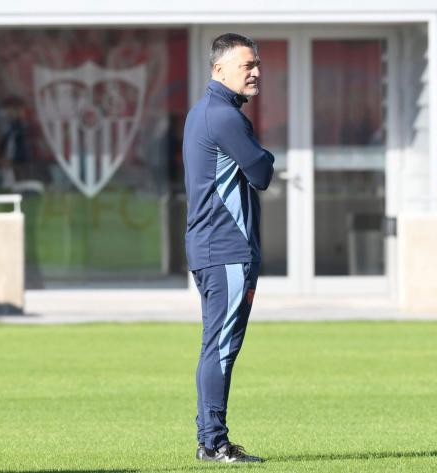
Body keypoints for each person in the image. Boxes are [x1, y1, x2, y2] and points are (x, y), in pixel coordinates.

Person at [182, 33, 275, 463]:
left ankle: (209, 440)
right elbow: (260, 172)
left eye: (256, 64)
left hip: (208, 249)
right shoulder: (225, 117)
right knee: (221, 348)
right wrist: (267, 157)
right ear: (219, 69)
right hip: (227, 250)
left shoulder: (201, 112)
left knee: (213, 346)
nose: (255, 72)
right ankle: (214, 443)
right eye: (246, 66)